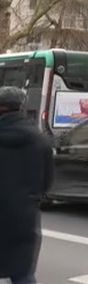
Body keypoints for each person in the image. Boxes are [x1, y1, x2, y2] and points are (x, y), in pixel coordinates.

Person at [0, 87, 53, 284]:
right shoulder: (40, 140)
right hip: (24, 217)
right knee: (22, 273)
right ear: (21, 107)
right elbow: (47, 182)